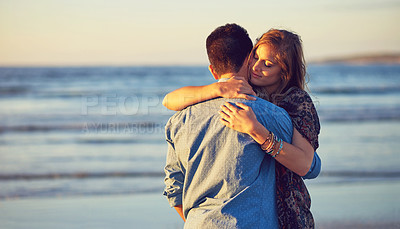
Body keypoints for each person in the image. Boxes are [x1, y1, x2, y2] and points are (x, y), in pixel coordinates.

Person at [163, 28, 321, 228]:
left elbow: (310, 166)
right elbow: (168, 100)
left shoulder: (293, 103)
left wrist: (255, 130)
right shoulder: (261, 105)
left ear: (284, 72)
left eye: (268, 64)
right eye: (255, 57)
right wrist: (218, 88)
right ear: (248, 58)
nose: (256, 66)